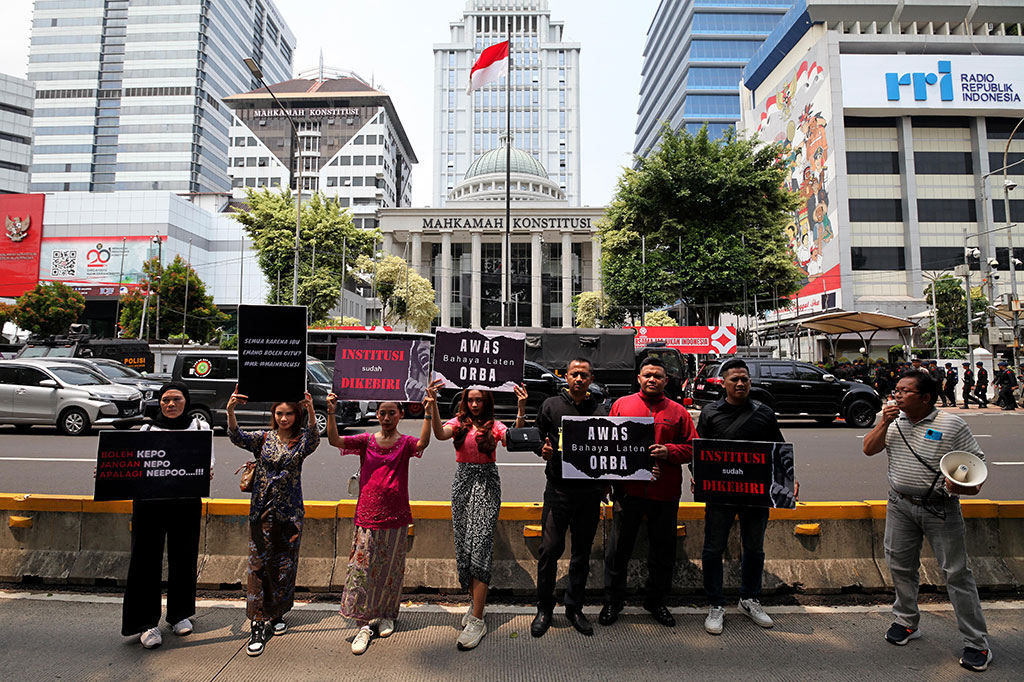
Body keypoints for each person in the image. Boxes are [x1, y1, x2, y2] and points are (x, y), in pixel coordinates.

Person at [862, 369, 992, 673]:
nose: (897, 395)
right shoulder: (894, 422)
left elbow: (975, 471)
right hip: (900, 504)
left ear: (925, 397)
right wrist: (883, 421)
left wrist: (959, 486)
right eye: (896, 390)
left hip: (940, 509)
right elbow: (868, 449)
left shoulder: (951, 424)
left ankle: (977, 643)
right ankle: (906, 621)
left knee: (957, 574)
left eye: (905, 391)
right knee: (899, 564)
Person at [326, 393, 433, 655]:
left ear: (401, 415)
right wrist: (330, 412)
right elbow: (335, 440)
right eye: (382, 413)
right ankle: (363, 624)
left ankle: (386, 614)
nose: (386, 418)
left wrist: (429, 412)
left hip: (396, 515)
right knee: (363, 570)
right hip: (367, 514)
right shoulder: (366, 441)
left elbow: (423, 443)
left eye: (392, 413)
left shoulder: (406, 443)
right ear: (377, 415)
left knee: (391, 569)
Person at [427, 379, 528, 651]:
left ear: (486, 402)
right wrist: (433, 404)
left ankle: (477, 618)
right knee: (465, 545)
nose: (474, 404)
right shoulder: (458, 423)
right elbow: (439, 434)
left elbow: (513, 440)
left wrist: (520, 409)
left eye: (479, 400)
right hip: (462, 483)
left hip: (486, 483)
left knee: (480, 544)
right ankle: (475, 603)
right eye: (470, 399)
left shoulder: (494, 425)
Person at [599, 357, 697, 629]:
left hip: (663, 493)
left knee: (663, 551)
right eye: (647, 375)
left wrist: (670, 452)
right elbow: (607, 445)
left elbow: (693, 448)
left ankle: (656, 601)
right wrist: (607, 482)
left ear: (666, 381)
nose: (652, 379)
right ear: (639, 379)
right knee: (618, 551)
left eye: (658, 376)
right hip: (627, 492)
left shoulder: (678, 412)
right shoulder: (621, 406)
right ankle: (613, 601)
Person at [227, 386, 320, 657]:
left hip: (290, 513)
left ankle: (277, 612)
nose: (283, 418)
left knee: (284, 565)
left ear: (297, 415)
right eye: (279, 413)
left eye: (289, 413)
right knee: (258, 566)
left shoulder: (302, 440)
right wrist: (231, 410)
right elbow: (237, 436)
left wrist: (312, 408)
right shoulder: (264, 438)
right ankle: (257, 622)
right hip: (262, 512)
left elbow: (315, 439)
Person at [696, 358, 785, 636]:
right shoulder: (710, 413)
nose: (740, 383)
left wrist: (787, 481)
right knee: (713, 549)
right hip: (720, 495)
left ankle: (750, 599)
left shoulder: (765, 414)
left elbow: (779, 450)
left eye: (744, 379)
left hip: (756, 495)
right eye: (734, 379)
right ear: (722, 383)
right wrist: (697, 475)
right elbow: (698, 451)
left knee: (755, 548)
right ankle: (716, 604)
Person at [121, 382, 212, 649]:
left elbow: (208, 461)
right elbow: (132, 464)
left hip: (185, 502)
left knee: (184, 556)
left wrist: (206, 471)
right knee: (144, 560)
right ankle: (146, 623)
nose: (170, 404)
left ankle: (179, 614)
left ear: (187, 401)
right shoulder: (148, 429)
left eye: (176, 399)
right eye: (165, 400)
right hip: (150, 504)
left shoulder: (199, 428)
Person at [530, 358, 607, 638]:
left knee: (581, 554)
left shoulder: (599, 409)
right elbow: (536, 438)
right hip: (558, 490)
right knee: (549, 551)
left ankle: (574, 608)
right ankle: (544, 608)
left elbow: (608, 451)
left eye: (584, 375)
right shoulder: (550, 405)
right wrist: (542, 450)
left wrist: (606, 483)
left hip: (589, 493)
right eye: (574, 374)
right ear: (566, 376)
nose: (578, 379)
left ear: (591, 378)